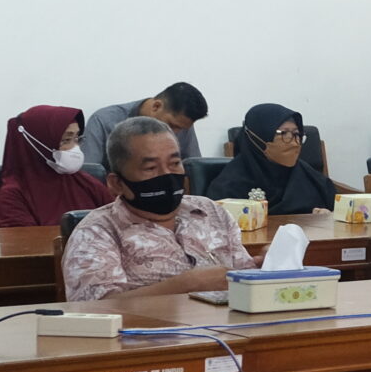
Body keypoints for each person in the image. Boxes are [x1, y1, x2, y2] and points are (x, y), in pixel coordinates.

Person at [62, 115, 254, 302]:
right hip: (150, 325)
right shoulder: (97, 232)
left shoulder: (210, 211)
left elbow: (245, 278)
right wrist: (186, 285)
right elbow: (95, 310)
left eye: (175, 163)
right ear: (117, 183)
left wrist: (265, 267)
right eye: (151, 168)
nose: (167, 174)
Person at [0, 105, 109, 228]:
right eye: (66, 140)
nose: (75, 148)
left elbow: (118, 221)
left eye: (77, 138)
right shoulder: (13, 194)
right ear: (39, 144)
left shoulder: (86, 182)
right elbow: (23, 239)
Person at [210, 103, 338, 215]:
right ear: (257, 137)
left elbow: (337, 212)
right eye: (283, 133)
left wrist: (327, 216)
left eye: (296, 134)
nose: (294, 143)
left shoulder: (310, 177)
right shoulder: (228, 186)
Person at [80, 84, 208, 172]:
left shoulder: (182, 125)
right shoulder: (103, 121)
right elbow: (90, 173)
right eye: (172, 125)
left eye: (181, 128)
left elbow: (194, 170)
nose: (174, 133)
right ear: (156, 106)